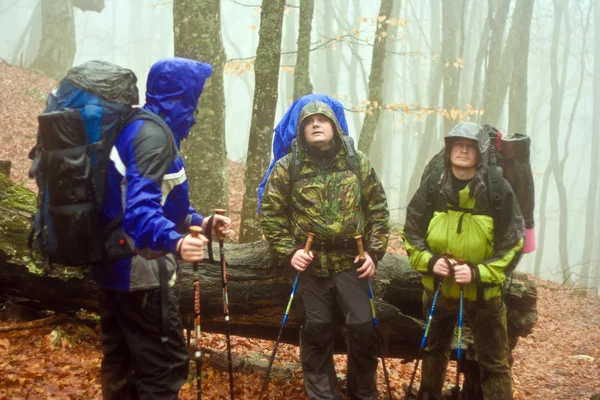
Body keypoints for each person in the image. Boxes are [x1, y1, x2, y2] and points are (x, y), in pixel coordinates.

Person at [94, 57, 231, 400]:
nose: (197, 106)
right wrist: (177, 242)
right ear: (183, 96)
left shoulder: (144, 127)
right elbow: (140, 213)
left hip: (116, 264)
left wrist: (201, 223)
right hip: (140, 272)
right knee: (164, 367)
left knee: (122, 363)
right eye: (195, 96)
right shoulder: (153, 137)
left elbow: (165, 204)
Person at [260, 98, 390, 400]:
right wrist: (290, 251)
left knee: (363, 330)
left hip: (352, 262)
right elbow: (271, 213)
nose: (315, 125)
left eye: (322, 120)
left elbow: (379, 210)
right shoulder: (287, 167)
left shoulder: (356, 162)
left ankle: (363, 392)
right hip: (312, 265)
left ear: (335, 126)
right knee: (316, 331)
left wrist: (374, 252)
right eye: (308, 122)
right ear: (301, 131)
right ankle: (323, 395)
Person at [403, 121, 525, 400]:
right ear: (449, 149)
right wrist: (430, 262)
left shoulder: (497, 188)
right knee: (433, 350)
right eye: (457, 144)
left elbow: (513, 243)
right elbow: (411, 233)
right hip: (438, 288)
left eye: (469, 145)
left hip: (484, 293)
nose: (462, 150)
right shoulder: (434, 185)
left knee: (494, 362)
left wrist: (478, 273)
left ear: (480, 152)